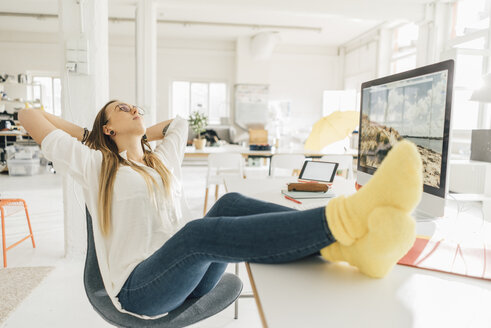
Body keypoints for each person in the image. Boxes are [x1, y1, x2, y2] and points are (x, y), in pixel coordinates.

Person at [19, 100, 422, 318]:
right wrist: (94, 137)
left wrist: (137, 129)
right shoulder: (95, 165)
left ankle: (349, 248)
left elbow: (179, 124)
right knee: (197, 234)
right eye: (122, 109)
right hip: (139, 290)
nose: (135, 110)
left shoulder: (162, 161)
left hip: (186, 277)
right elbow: (29, 115)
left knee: (226, 203)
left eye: (136, 106)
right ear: (107, 129)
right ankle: (348, 217)